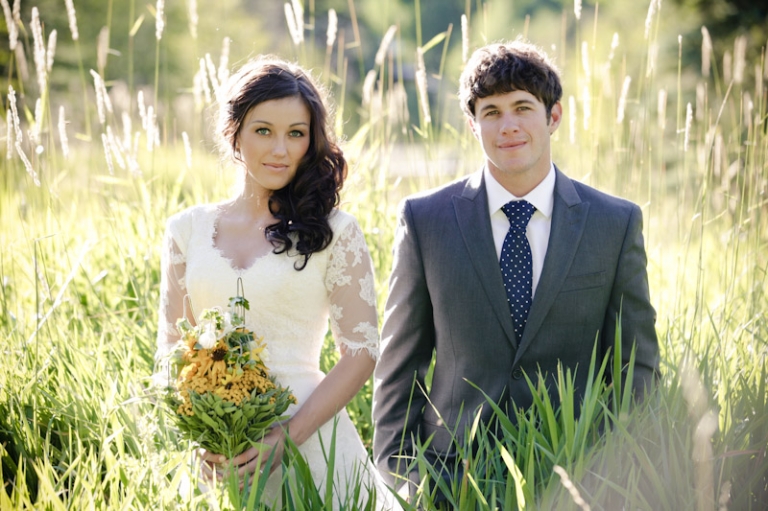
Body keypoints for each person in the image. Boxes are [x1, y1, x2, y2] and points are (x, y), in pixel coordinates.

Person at [372, 39, 659, 498]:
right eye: (491, 112)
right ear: (472, 123)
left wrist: (625, 481)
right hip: (451, 481)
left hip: (578, 477)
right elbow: (398, 368)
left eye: (522, 107)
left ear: (554, 116)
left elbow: (636, 370)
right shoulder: (425, 220)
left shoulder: (615, 223)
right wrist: (404, 483)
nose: (508, 126)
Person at [155, 56, 394, 509]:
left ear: (312, 141)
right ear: (234, 134)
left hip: (313, 440)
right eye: (263, 130)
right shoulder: (186, 230)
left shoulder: (335, 231)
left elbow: (362, 353)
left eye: (296, 134)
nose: (280, 149)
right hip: (219, 452)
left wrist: (285, 437)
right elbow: (171, 349)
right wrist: (201, 431)